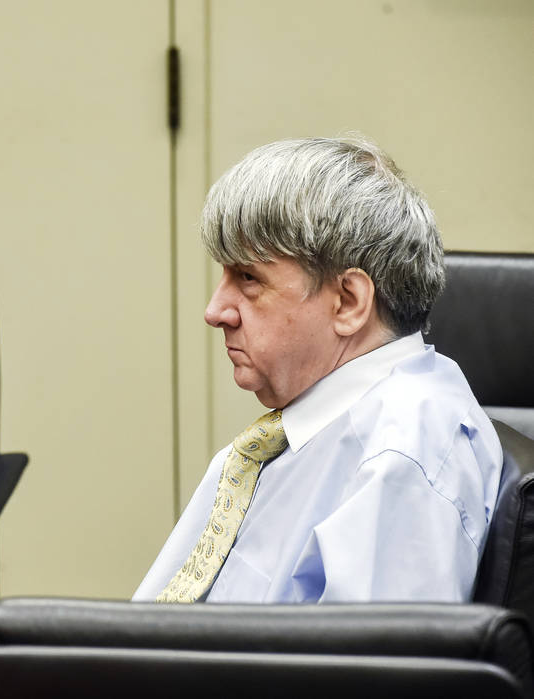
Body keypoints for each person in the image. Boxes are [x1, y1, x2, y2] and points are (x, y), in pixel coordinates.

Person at [134, 136, 502, 603]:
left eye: (248, 278)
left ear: (348, 302)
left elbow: (362, 673)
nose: (215, 310)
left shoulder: (403, 457)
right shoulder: (300, 430)